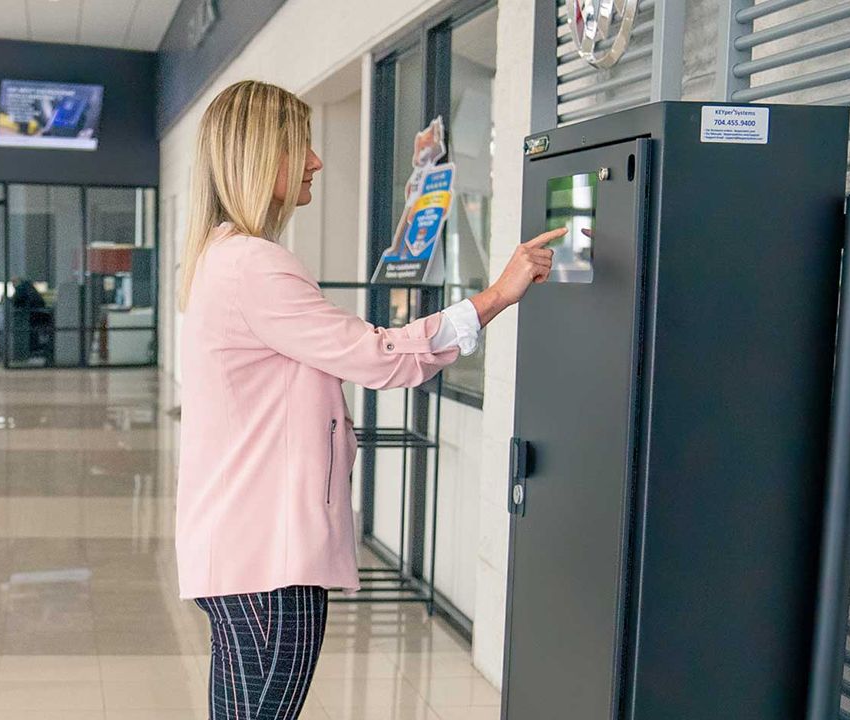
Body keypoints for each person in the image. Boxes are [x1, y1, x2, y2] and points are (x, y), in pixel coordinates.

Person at [174, 79, 562, 719]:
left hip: (241, 551)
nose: (316, 161)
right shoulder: (253, 264)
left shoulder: (221, 258)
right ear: (258, 155)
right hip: (267, 561)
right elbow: (379, 357)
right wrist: (496, 296)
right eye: (299, 145)